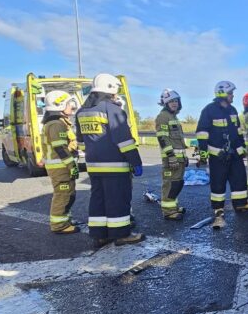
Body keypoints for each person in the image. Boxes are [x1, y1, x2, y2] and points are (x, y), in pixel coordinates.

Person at [76, 73, 144, 246]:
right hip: (115, 165)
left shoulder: (82, 112)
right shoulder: (112, 110)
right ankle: (121, 234)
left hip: (93, 166)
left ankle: (99, 235)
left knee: (98, 199)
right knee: (118, 200)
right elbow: (125, 141)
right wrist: (136, 162)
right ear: (111, 89)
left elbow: (80, 142)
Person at [196, 80, 248, 230]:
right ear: (222, 94)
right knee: (218, 183)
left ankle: (240, 204)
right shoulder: (209, 110)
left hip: (234, 154)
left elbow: (238, 132)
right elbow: (202, 134)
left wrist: (241, 150)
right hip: (217, 155)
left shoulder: (233, 110)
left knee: (239, 179)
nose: (232, 95)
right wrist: (205, 153)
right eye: (230, 93)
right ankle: (218, 210)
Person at [42, 90, 80, 234]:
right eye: (69, 103)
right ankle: (59, 225)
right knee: (63, 194)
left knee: (68, 194)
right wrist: (72, 166)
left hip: (62, 167)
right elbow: (60, 148)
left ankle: (64, 219)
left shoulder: (59, 123)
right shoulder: (56, 124)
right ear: (60, 105)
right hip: (61, 167)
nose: (72, 106)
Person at [155, 88, 187, 220]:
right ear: (165, 103)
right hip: (171, 159)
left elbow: (178, 140)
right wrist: (171, 156)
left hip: (178, 159)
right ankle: (168, 211)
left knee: (177, 183)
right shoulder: (163, 117)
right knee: (170, 184)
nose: (174, 103)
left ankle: (173, 207)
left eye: (176, 101)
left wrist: (183, 157)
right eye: (171, 101)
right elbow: (163, 138)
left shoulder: (173, 117)